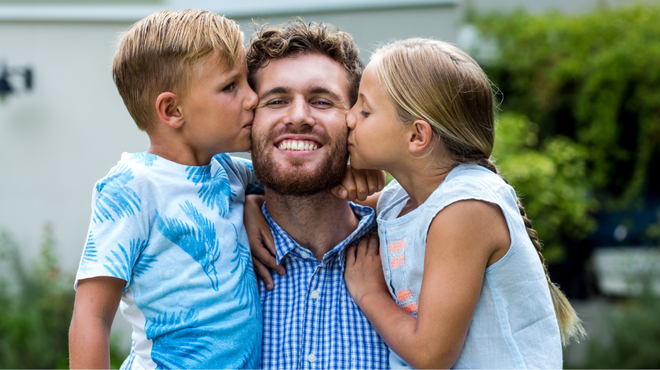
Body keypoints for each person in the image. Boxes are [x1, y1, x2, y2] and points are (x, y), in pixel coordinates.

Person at [342, 38, 587, 369]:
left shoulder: (465, 208)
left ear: (417, 136)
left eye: (365, 109)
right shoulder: (400, 199)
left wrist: (369, 293)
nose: (349, 118)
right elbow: (334, 213)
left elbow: (431, 355)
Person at [68, 10, 264, 369]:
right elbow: (91, 317)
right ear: (173, 109)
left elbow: (290, 185)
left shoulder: (229, 171)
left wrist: (348, 177)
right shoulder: (132, 187)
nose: (253, 98)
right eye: (231, 86)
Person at [244, 19, 390, 369]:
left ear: (355, 120)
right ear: (248, 121)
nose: (298, 117)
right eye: (276, 100)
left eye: (322, 102)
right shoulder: (213, 249)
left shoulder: (408, 245)